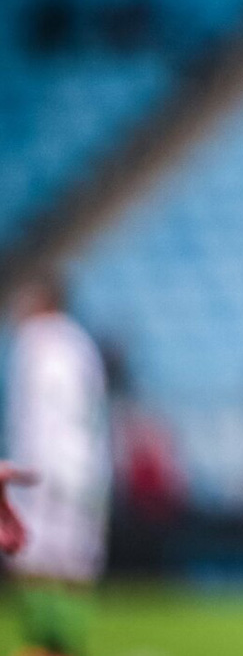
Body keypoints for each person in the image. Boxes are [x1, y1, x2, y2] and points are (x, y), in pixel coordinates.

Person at [2, 277, 111, 656]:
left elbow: (36, 413)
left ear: (43, 300)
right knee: (76, 559)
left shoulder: (36, 339)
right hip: (87, 464)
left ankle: (43, 642)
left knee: (32, 551)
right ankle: (67, 643)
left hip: (43, 465)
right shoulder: (81, 343)